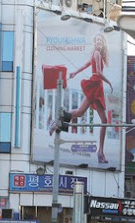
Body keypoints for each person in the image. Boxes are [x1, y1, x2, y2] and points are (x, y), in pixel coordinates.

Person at [48, 33, 113, 165]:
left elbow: (85, 65)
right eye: (97, 40)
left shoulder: (96, 54)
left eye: (100, 40)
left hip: (96, 85)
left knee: (94, 117)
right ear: (95, 43)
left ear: (103, 43)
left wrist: (75, 73)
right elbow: (99, 73)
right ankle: (57, 122)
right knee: (87, 115)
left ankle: (100, 152)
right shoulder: (96, 53)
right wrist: (109, 82)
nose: (99, 42)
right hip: (95, 84)